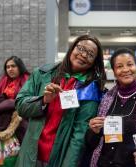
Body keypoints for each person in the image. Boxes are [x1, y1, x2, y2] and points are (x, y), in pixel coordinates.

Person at [14, 35, 107, 167]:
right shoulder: (43, 74)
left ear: (94, 62)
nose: (84, 55)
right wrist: (43, 100)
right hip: (31, 152)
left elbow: (79, 136)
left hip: (59, 157)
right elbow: (20, 106)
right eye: (80, 48)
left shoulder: (90, 89)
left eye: (90, 54)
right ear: (72, 48)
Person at [0, 56, 30, 166]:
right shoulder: (4, 81)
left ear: (20, 67)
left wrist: (9, 103)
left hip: (22, 123)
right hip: (4, 125)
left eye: (13, 66)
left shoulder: (27, 80)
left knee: (21, 154)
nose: (10, 69)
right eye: (7, 67)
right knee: (7, 156)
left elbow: (28, 101)